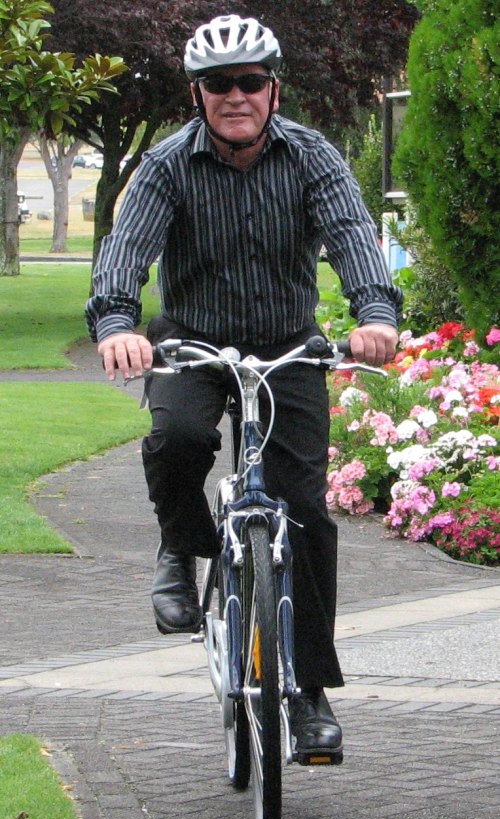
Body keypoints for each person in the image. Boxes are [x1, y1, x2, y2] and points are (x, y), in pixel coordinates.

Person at [86, 14, 402, 761]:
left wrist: (376, 313)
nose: (236, 95)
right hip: (191, 340)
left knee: (304, 511)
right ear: (198, 94)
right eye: (219, 84)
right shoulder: (166, 165)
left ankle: (313, 692)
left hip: (288, 346)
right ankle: (179, 547)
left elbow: (353, 234)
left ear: (273, 88)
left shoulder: (312, 156)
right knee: (179, 438)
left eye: (250, 82)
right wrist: (117, 325)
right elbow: (125, 251)